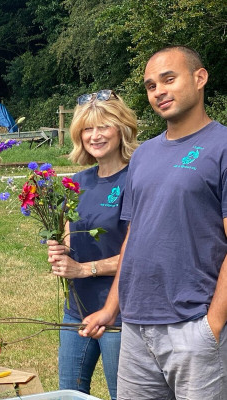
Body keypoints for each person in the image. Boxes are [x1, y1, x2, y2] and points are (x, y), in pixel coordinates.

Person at [81, 46, 227, 399]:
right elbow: (135, 234)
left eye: (168, 79)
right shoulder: (144, 154)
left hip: (193, 324)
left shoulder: (221, 146)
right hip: (136, 326)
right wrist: (111, 308)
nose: (158, 91)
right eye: (150, 86)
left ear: (200, 77)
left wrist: (213, 324)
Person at [47, 90, 138, 399]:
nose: (95, 136)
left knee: (122, 394)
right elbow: (71, 236)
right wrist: (59, 251)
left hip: (121, 313)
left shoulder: (136, 179)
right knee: (69, 393)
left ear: (121, 128)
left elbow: (137, 252)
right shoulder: (79, 181)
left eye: (104, 126)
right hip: (76, 308)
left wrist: (83, 269)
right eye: (87, 128)